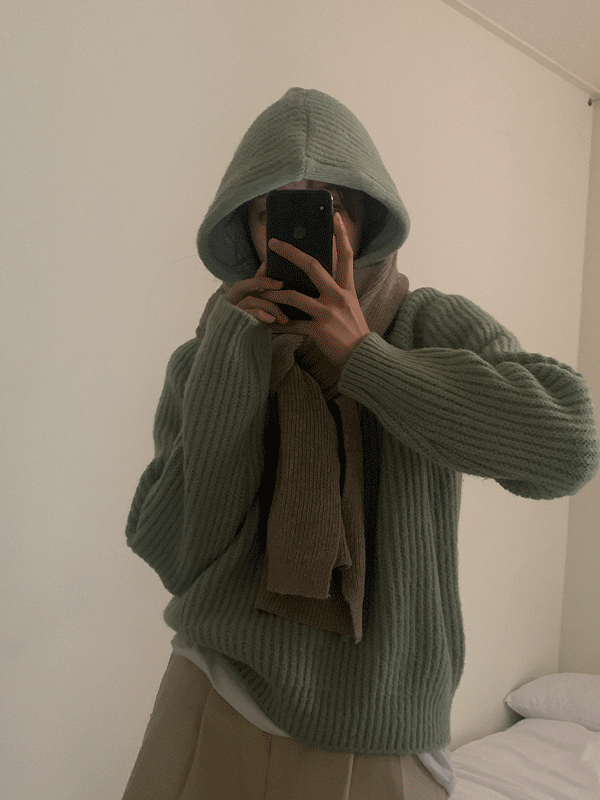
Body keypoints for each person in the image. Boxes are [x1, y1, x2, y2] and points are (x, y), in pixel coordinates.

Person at [122, 88, 599, 800]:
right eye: (272, 209)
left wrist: (365, 359)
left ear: (366, 217)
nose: (303, 230)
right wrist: (229, 357)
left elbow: (567, 449)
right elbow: (173, 552)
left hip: (381, 722)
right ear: (246, 226)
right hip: (213, 692)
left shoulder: (427, 324)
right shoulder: (208, 355)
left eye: (329, 205)